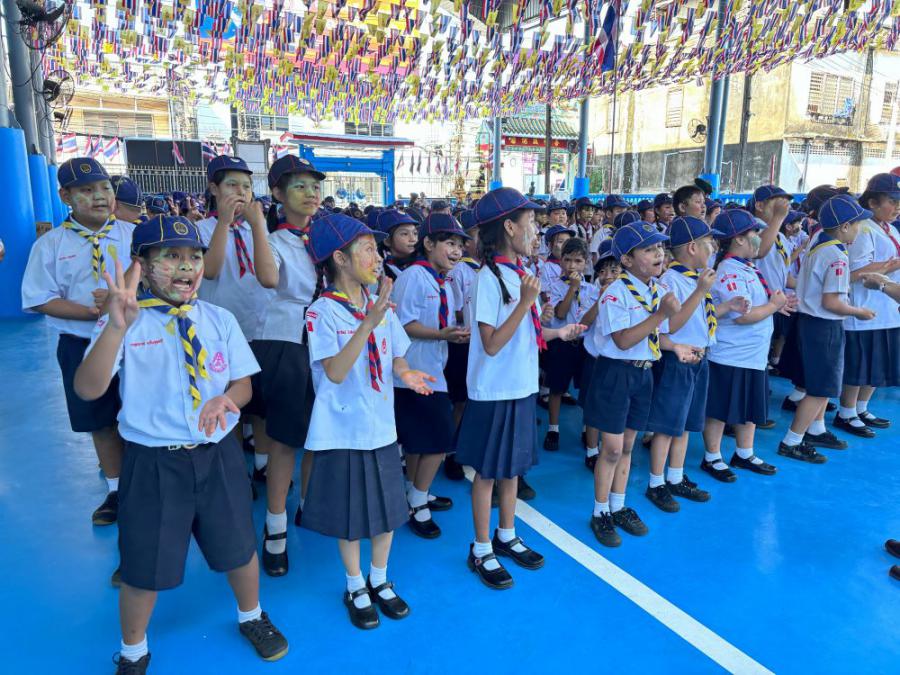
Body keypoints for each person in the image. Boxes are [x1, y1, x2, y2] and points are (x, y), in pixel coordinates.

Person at [74, 215, 288, 673]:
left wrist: (227, 400)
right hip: (154, 462)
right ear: (142, 265)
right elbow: (88, 389)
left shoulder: (219, 319)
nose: (186, 266)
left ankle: (251, 616)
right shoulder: (125, 322)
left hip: (218, 456)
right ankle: (133, 650)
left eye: (193, 256)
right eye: (170, 256)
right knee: (143, 564)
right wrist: (115, 328)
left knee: (239, 546)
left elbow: (243, 384)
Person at [302, 213, 434, 629]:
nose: (378, 258)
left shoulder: (379, 306)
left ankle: (380, 577)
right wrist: (369, 322)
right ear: (340, 258)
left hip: (380, 427)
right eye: (367, 250)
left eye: (377, 250)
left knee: (388, 510)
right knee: (351, 516)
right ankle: (355, 583)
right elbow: (336, 371)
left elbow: (395, 354)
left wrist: (406, 373)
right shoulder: (321, 312)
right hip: (342, 431)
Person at [454, 188, 584, 589]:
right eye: (530, 223)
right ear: (508, 227)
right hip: (494, 390)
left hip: (521, 386)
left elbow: (527, 333)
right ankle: (480, 548)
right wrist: (525, 301)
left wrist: (558, 331)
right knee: (487, 474)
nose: (536, 231)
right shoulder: (488, 279)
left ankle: (506, 534)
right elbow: (492, 343)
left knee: (513, 467)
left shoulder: (518, 274)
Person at [21, 157, 133, 527]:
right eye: (87, 190)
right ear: (65, 196)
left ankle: (145, 481)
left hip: (134, 342)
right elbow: (40, 298)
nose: (100, 196)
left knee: (138, 411)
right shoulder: (50, 245)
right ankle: (117, 490)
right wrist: (92, 313)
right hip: (80, 344)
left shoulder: (134, 237)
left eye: (105, 188)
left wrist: (122, 303)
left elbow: (155, 282)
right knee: (99, 419)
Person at [248, 155, 326, 576]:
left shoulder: (328, 235)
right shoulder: (275, 241)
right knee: (283, 441)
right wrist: (258, 227)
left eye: (314, 185)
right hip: (288, 342)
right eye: (299, 186)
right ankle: (274, 524)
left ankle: (309, 505)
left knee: (318, 435)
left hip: (329, 339)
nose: (311, 193)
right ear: (277, 193)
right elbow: (268, 278)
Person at [584, 221, 682, 547]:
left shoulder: (656, 290)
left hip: (643, 372)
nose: (659, 253)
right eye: (649, 249)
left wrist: (676, 346)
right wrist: (660, 315)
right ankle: (600, 512)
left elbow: (655, 336)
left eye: (660, 247)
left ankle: (618, 505)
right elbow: (624, 340)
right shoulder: (615, 293)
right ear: (627, 260)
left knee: (628, 445)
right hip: (615, 373)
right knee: (611, 448)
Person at [645, 216, 739, 512]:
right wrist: (700, 290)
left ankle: (675, 476)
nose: (714, 247)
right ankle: (656, 483)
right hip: (678, 360)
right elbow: (671, 324)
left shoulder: (695, 278)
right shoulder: (672, 281)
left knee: (685, 423)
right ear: (691, 247)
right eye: (709, 242)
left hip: (698, 357)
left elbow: (700, 316)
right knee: (667, 425)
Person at [779, 195, 875, 463]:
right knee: (820, 389)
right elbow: (831, 302)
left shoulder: (818, 243)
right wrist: (859, 312)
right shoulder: (837, 256)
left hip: (809, 323)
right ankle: (792, 441)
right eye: (857, 224)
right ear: (844, 227)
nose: (860, 230)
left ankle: (815, 429)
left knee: (821, 384)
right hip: (824, 326)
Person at [393, 213, 471, 538]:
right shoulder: (414, 277)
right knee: (439, 440)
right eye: (449, 243)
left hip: (433, 369)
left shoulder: (443, 283)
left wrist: (452, 336)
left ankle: (414, 492)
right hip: (412, 373)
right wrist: (443, 335)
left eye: (460, 245)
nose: (456, 251)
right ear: (428, 243)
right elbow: (402, 325)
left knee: (420, 443)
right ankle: (418, 501)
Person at [701, 209, 788, 483]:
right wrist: (773, 305)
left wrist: (776, 305)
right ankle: (712, 456)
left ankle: (744, 453)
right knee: (719, 409)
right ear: (738, 239)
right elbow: (742, 316)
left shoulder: (746, 266)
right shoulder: (729, 272)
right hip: (731, 354)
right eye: (755, 233)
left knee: (749, 406)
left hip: (752, 354)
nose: (759, 238)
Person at [834, 173, 900, 437]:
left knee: (877, 365)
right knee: (859, 366)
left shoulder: (890, 229)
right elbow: (855, 271)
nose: (897, 207)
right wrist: (893, 265)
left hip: (887, 309)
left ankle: (861, 408)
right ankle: (846, 411)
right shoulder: (863, 230)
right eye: (892, 201)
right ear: (872, 203)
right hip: (863, 308)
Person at [543, 237, 599, 452]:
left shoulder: (592, 290)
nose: (572, 266)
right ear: (561, 261)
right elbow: (560, 313)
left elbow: (592, 319)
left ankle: (586, 429)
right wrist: (572, 289)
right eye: (567, 260)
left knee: (586, 389)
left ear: (586, 262)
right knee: (556, 387)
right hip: (561, 343)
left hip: (585, 344)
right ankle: (553, 428)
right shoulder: (554, 287)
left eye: (577, 261)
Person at [443, 209, 480, 480]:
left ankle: (465, 444)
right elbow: (455, 311)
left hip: (480, 343)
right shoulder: (459, 272)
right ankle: (450, 451)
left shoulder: (486, 269)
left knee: (472, 400)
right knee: (460, 401)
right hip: (462, 342)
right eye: (478, 235)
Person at [376, 209, 419, 280]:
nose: (413, 239)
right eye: (405, 234)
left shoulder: (425, 262)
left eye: (415, 233)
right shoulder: (379, 271)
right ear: (387, 241)